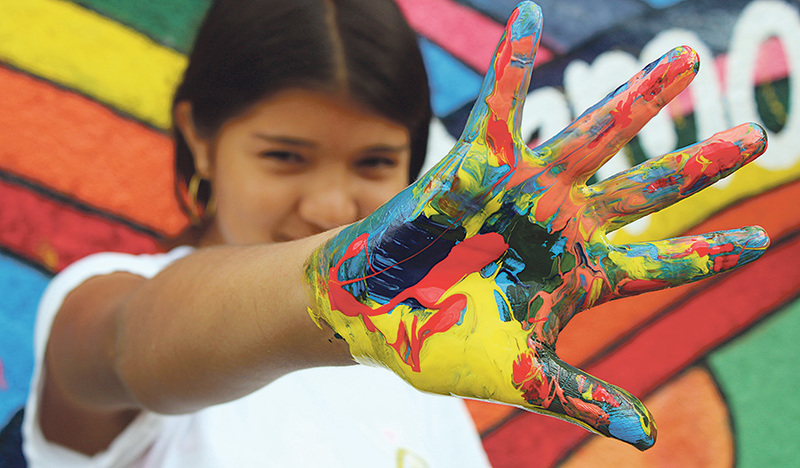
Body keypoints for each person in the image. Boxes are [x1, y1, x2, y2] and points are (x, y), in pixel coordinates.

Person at [23, 0, 770, 465]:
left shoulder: (425, 348)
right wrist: (325, 292)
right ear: (200, 137)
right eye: (285, 157)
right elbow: (125, 344)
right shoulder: (104, 302)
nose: (329, 203)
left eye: (375, 161)